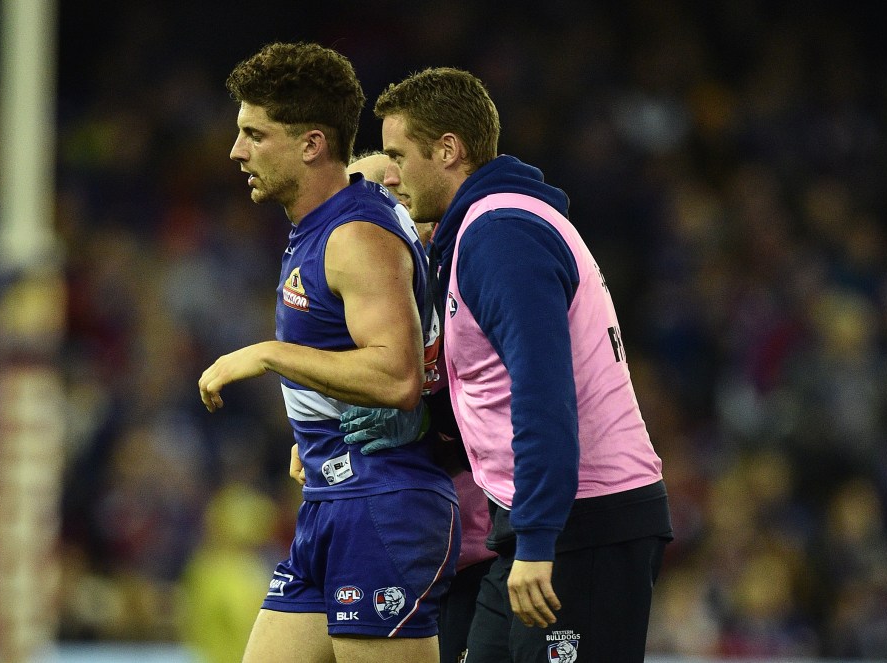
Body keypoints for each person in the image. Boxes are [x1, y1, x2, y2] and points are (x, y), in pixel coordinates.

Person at [366, 67, 674, 662]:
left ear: (448, 149)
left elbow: (541, 391)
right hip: (538, 523)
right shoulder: (477, 234)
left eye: (399, 154)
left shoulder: (500, 235)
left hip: (581, 526)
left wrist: (537, 542)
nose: (393, 175)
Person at [197, 43, 458, 663]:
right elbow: (367, 166)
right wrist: (314, 418)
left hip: (382, 503)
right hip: (328, 498)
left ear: (311, 144)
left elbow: (395, 373)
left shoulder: (355, 238)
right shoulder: (330, 219)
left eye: (254, 135)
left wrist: (270, 355)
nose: (238, 152)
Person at [343, 152, 497, 663]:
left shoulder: (466, 265)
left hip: (484, 545)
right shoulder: (360, 283)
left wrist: (429, 422)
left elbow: (502, 398)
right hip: (404, 542)